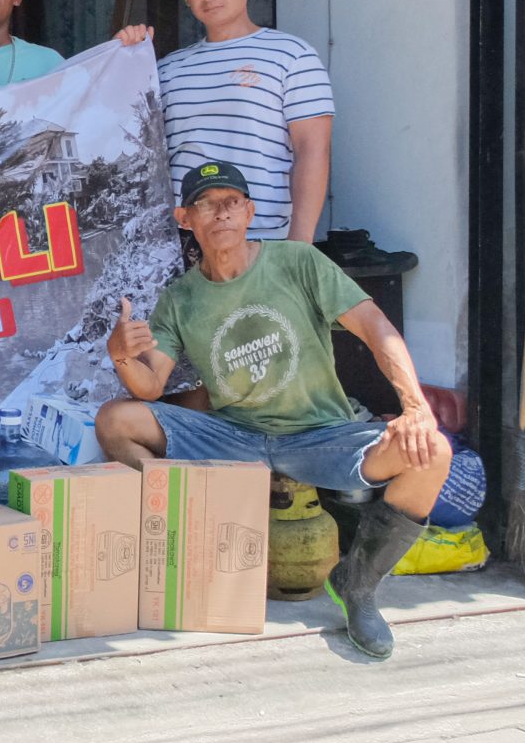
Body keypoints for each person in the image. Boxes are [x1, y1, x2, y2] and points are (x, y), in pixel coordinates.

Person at [99, 162, 451, 659]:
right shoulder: (180, 298)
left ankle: (359, 585)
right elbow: (150, 386)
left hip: (320, 436)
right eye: (206, 204)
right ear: (185, 218)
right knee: (116, 419)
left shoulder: (297, 263)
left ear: (250, 211)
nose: (220, 214)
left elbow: (376, 327)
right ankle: (189, 534)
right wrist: (121, 354)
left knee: (432, 451)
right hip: (234, 437)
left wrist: (414, 407)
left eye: (231, 202)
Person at [158, 0, 334, 242]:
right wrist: (128, 53)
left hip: (261, 240)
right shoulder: (167, 69)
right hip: (181, 243)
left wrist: (299, 245)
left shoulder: (291, 55)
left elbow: (313, 151)